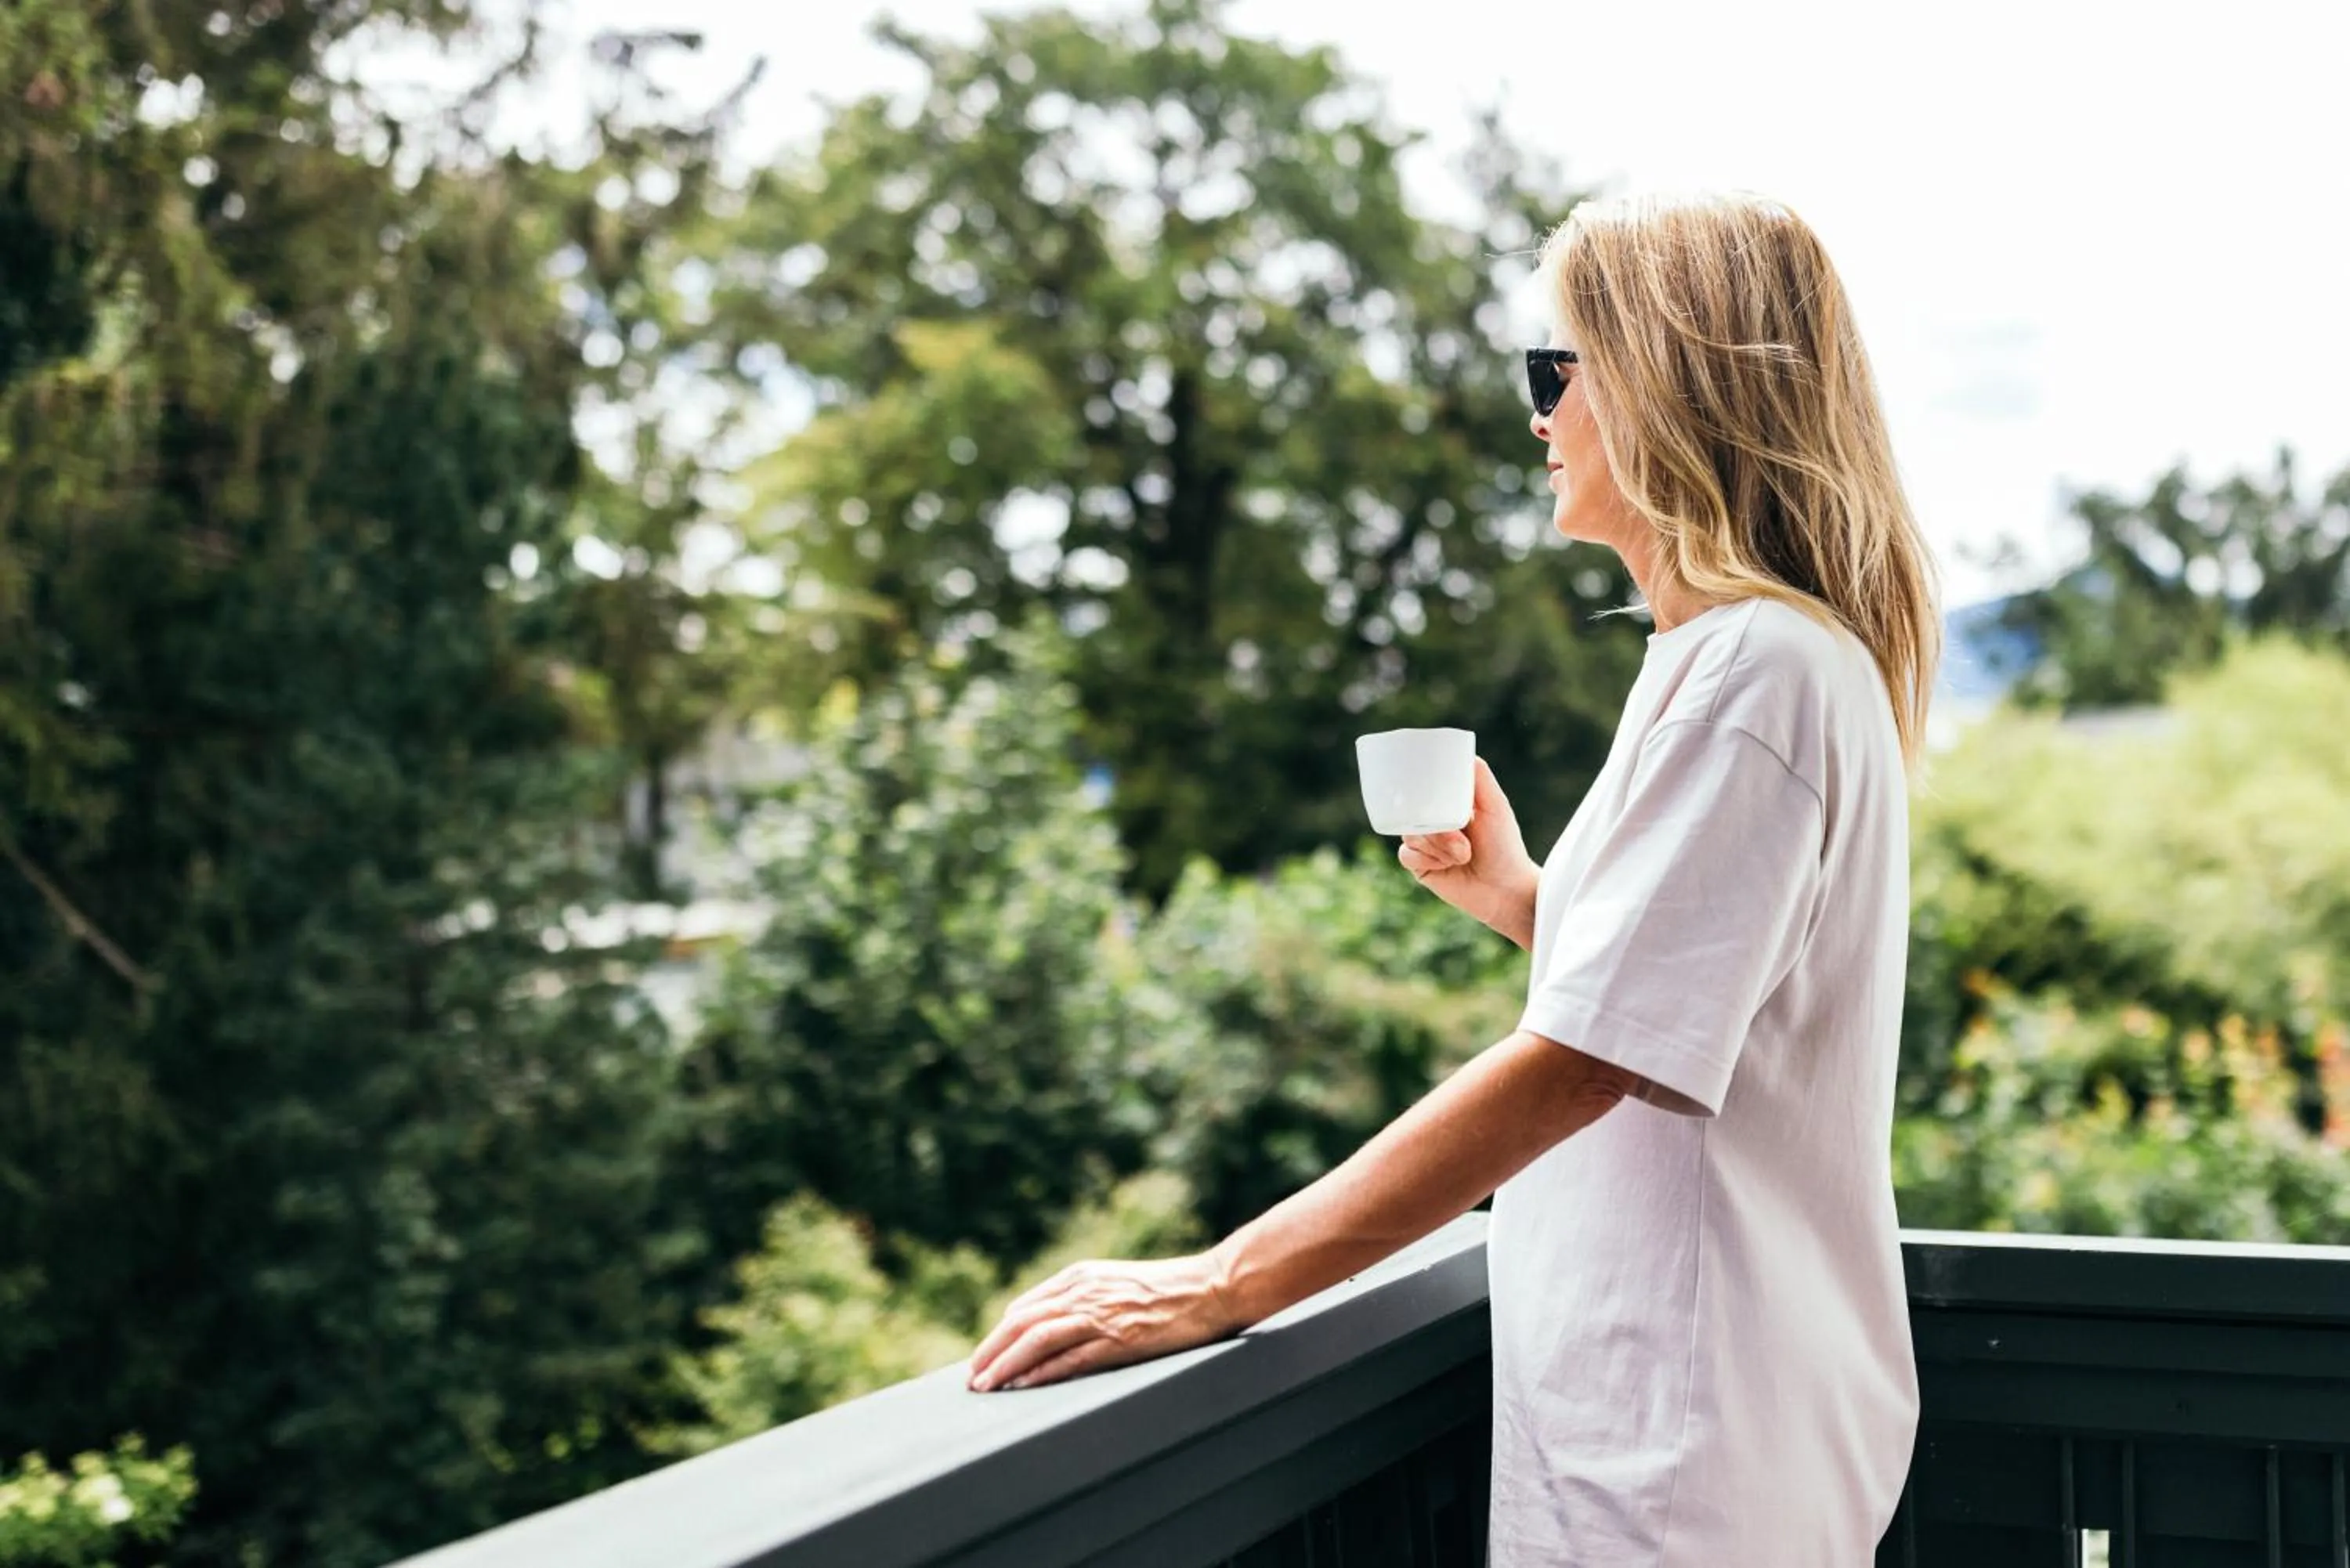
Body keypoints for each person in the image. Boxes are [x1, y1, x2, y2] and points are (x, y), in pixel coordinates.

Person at [966, 190, 1940, 1566]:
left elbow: (1581, 1064)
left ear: (1664, 382)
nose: (1536, 419)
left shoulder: (1755, 671)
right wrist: (1523, 900)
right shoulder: (1756, 661)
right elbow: (1700, 1005)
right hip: (1694, 1430)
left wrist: (1222, 1278)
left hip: (1682, 1455)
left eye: (1556, 371)